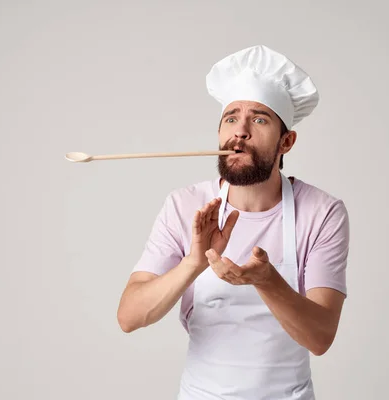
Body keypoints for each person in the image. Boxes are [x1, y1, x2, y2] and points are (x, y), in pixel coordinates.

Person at [117, 45, 350, 400]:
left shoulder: (321, 212)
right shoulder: (185, 205)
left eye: (259, 119)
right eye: (230, 118)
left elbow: (320, 338)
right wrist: (193, 263)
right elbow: (129, 317)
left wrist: (267, 280)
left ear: (286, 142)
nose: (239, 131)